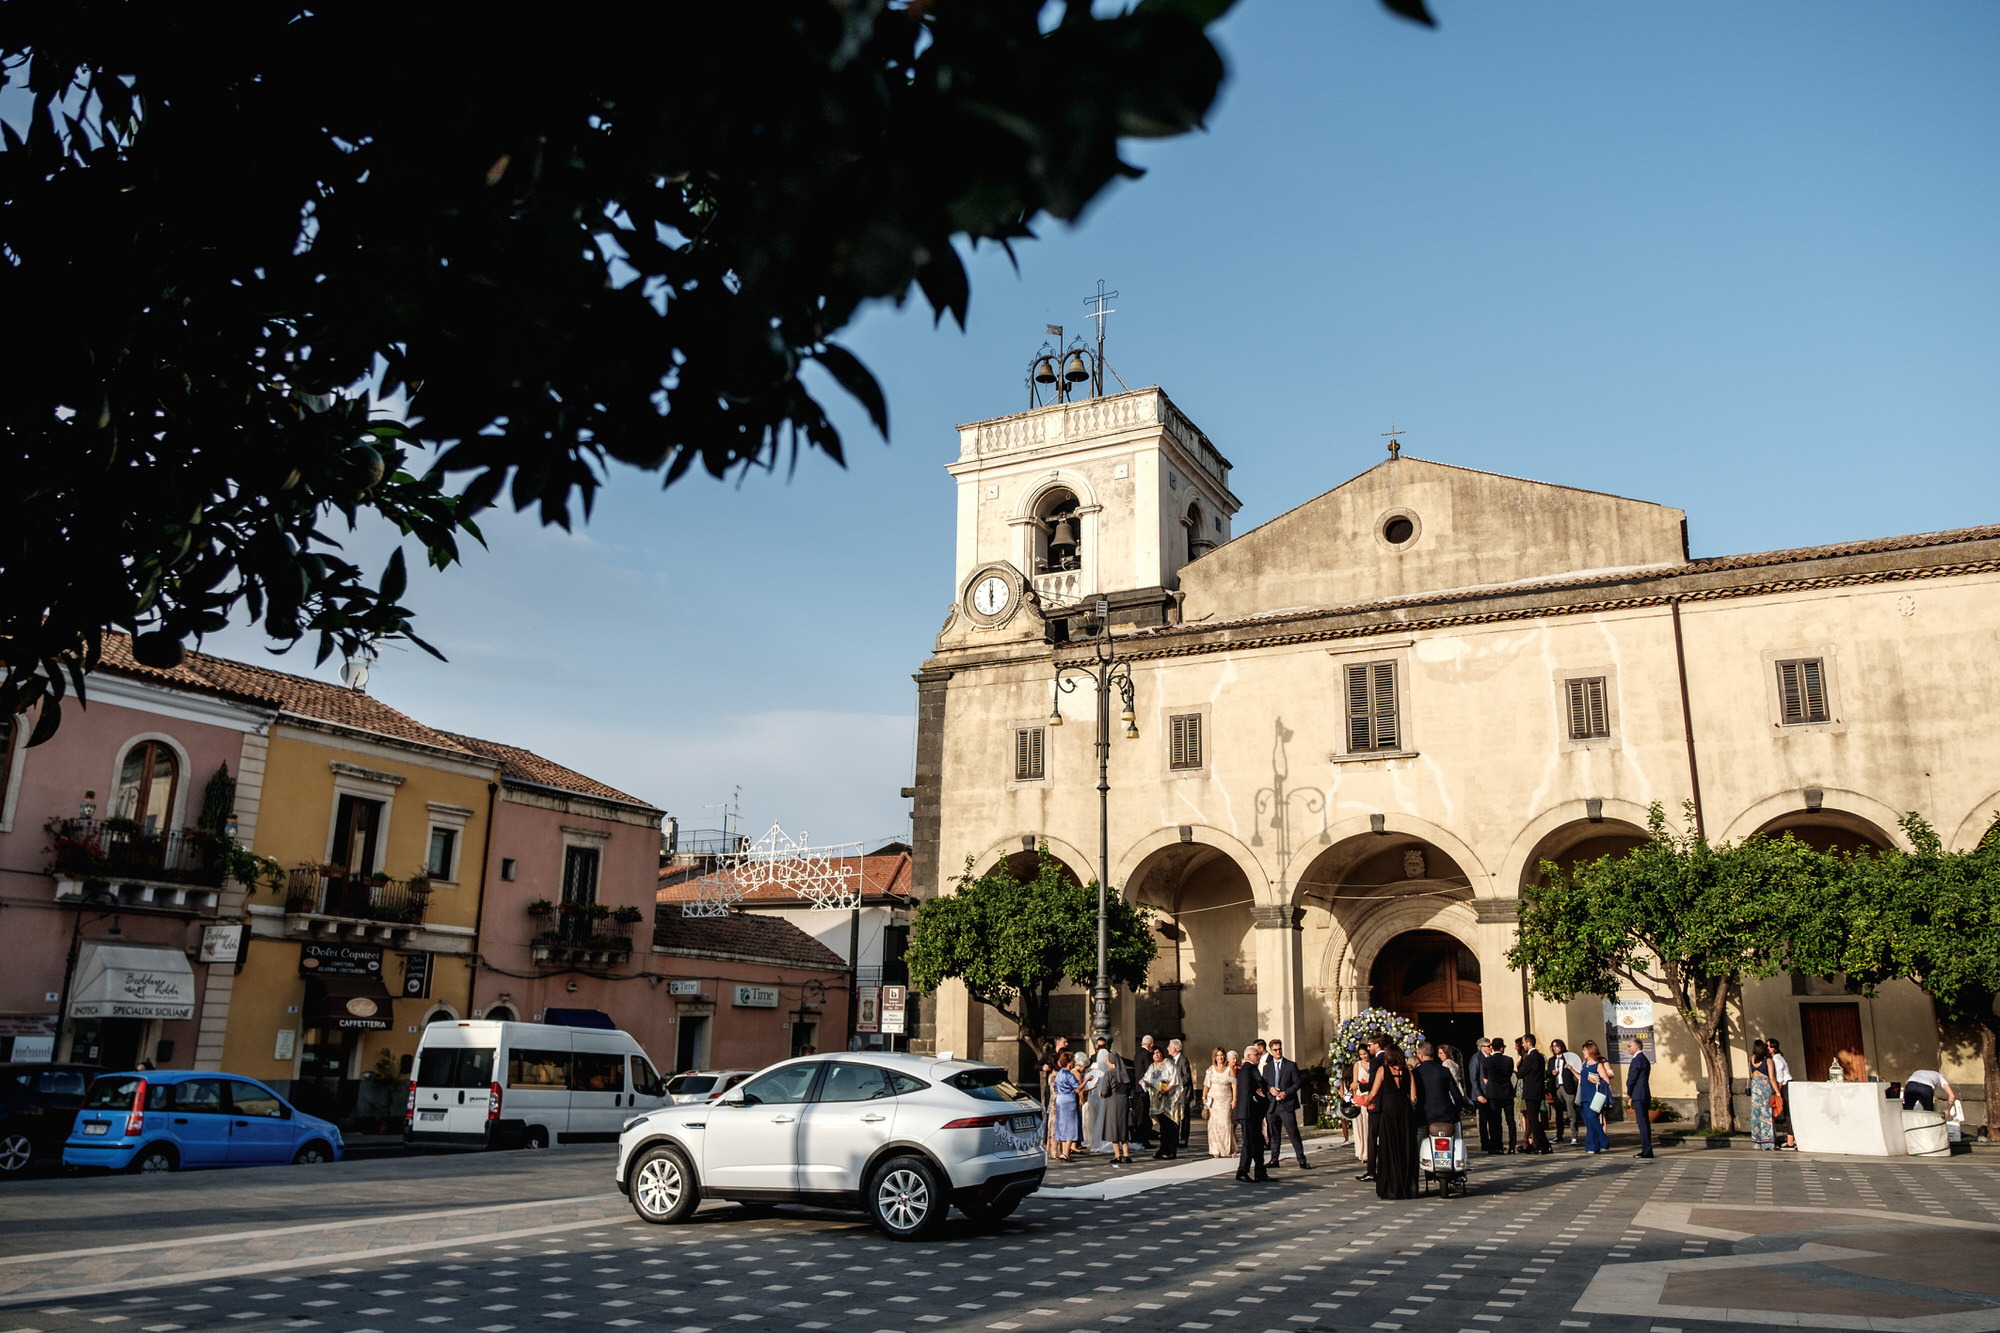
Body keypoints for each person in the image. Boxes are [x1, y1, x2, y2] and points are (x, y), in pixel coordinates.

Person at [1366, 1045, 1418, 1199]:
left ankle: (1391, 1187)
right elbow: (1413, 1097)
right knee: (1406, 1147)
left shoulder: (1383, 1070)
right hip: (1405, 1112)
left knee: (1389, 1148)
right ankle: (1408, 1188)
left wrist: (1364, 1102)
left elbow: (1373, 1093)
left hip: (1389, 1112)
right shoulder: (1407, 1071)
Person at [1264, 1038, 1309, 1170]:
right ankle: (1274, 1159)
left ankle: (1301, 1159)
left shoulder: (1290, 1065)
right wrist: (1270, 1090)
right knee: (1274, 1134)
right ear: (1271, 1051)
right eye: (1275, 1050)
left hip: (1286, 1104)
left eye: (1279, 1049)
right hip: (1272, 1105)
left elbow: (1298, 1083)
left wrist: (1286, 1093)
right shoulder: (1267, 1068)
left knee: (1293, 1132)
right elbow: (1264, 1084)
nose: (1278, 1052)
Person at [1235, 1039, 1272, 1182]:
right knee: (1249, 1143)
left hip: (1251, 1112)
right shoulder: (1250, 1068)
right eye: (1256, 1054)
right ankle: (1242, 1172)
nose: (1258, 1056)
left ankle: (1260, 1171)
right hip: (1248, 1112)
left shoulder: (1246, 1069)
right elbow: (1261, 1082)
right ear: (1249, 1056)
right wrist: (1264, 1092)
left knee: (1257, 1142)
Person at [1412, 1040, 1464, 1136]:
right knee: (1456, 1139)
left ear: (1420, 1054)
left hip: (1424, 1116)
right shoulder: (1444, 1070)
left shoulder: (1415, 1073)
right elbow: (1456, 1095)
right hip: (1446, 1115)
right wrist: (1456, 1109)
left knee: (1419, 1141)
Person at [1095, 1037, 1134, 1165]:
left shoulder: (1109, 1074)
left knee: (1113, 1127)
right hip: (1123, 1101)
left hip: (1112, 1102)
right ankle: (1126, 1154)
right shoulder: (1125, 1073)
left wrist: (1100, 1093)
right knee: (1123, 1127)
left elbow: (1105, 1091)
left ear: (1111, 1061)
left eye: (1107, 1061)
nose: (1106, 1062)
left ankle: (1117, 1155)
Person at [1478, 1033, 1515, 1154]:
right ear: (1502, 1048)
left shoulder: (1487, 1061)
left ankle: (1497, 1146)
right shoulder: (1509, 1060)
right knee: (1510, 1120)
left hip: (1493, 1093)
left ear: (1493, 1048)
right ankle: (1512, 1146)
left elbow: (1485, 1077)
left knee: (1495, 1121)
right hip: (1507, 1092)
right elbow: (1509, 1074)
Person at [1143, 1046, 1178, 1159]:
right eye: (1154, 1053)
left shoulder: (1167, 1063)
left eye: (1158, 1053)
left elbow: (1175, 1078)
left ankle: (1171, 1150)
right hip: (1157, 1100)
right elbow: (1146, 1079)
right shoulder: (1152, 1067)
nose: (1157, 1055)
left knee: (1170, 1124)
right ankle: (1163, 1148)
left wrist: (1167, 1089)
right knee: (1162, 1126)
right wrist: (1145, 1083)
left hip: (1168, 1099)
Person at [1577, 1039, 1611, 1154]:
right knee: (1588, 1121)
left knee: (1592, 1118)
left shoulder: (1598, 1065)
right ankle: (1592, 1146)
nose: (1583, 1052)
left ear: (1591, 1052)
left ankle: (1603, 1141)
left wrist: (1595, 1081)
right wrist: (1572, 1070)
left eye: (1585, 1050)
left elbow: (1606, 1081)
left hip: (1595, 1096)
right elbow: (1581, 1079)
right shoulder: (1584, 1064)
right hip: (1585, 1095)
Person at [1518, 1034, 1549, 1155]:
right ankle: (1544, 1144)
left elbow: (1520, 1073)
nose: (1523, 1045)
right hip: (1538, 1091)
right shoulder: (1540, 1057)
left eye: (1523, 1043)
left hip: (1531, 1092)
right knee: (1535, 1118)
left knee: (1533, 1120)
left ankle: (1540, 1145)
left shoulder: (1530, 1058)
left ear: (1528, 1043)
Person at [1204, 1048, 1238, 1159]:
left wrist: (1234, 1099)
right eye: (1217, 1055)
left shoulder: (1229, 1069)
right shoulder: (1211, 1069)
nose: (1220, 1057)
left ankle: (1230, 1149)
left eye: (1222, 1055)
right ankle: (1215, 1150)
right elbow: (1206, 1085)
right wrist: (1204, 1097)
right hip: (1213, 1100)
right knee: (1214, 1125)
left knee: (1225, 1124)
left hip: (1225, 1100)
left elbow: (1234, 1085)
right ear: (1214, 1057)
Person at [1550, 1038, 1583, 1145]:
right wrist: (1551, 1073)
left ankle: (1574, 1136)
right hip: (1556, 1087)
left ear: (1562, 1047)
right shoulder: (1551, 1060)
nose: (1555, 1048)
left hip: (1567, 1087)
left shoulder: (1568, 1058)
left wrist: (1570, 1068)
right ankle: (1559, 1136)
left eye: (1557, 1046)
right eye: (1553, 1046)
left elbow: (1577, 1070)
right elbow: (1547, 1074)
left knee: (1571, 1113)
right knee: (1558, 1114)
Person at [1051, 1051, 1082, 1160]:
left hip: (1060, 1100)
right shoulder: (1069, 1075)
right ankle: (1066, 1153)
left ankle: (1064, 1152)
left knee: (1063, 1126)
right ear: (1069, 1063)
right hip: (1069, 1101)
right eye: (1073, 1061)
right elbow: (1078, 1089)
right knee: (1070, 1126)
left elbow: (1055, 1089)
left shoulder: (1059, 1073)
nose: (1074, 1063)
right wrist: (1087, 1080)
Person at [1626, 1036, 1654, 1158]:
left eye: (1629, 1046)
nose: (1628, 1048)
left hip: (1638, 1093)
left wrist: (1629, 1093)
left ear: (1636, 1047)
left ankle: (1647, 1150)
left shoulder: (1637, 1059)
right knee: (1644, 1123)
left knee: (1642, 1123)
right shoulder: (1643, 1059)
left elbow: (1632, 1078)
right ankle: (1646, 1149)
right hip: (1642, 1092)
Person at [1766, 1038, 1795, 1149]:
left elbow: (1780, 1078)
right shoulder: (1775, 1058)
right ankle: (1790, 1140)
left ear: (1775, 1048)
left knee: (1788, 1113)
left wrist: (1777, 1093)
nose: (1768, 1048)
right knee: (1787, 1113)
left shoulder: (1777, 1059)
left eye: (1770, 1046)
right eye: (1767, 1046)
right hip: (1784, 1086)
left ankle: (1790, 1142)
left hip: (1785, 1086)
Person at [1748, 1039, 1777, 1150]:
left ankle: (1756, 1141)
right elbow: (1772, 1078)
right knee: (1766, 1113)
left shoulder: (1752, 1058)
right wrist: (1777, 1091)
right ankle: (1767, 1142)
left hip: (1755, 1085)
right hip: (1764, 1087)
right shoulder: (1768, 1060)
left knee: (1756, 1113)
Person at [1169, 1039, 1195, 1149]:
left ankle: (1183, 1139)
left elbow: (1187, 1077)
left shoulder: (1183, 1060)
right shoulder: (1171, 1061)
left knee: (1184, 1117)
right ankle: (1175, 1138)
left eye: (1169, 1047)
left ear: (1175, 1049)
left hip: (1183, 1094)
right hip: (1174, 1094)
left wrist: (1175, 1083)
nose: (1168, 1049)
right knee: (1175, 1117)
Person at [1133, 1036, 1157, 1149]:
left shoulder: (1138, 1053)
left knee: (1139, 1115)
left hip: (1137, 1089)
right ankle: (1144, 1139)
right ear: (1151, 1044)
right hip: (1143, 1088)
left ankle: (1139, 1137)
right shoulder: (1146, 1054)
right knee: (1144, 1115)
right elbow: (1149, 1070)